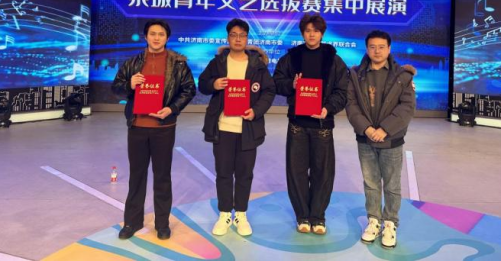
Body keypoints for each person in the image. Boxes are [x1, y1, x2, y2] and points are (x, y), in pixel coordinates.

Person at [111, 19, 196, 240]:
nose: (156, 38)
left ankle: (162, 224)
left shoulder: (178, 64)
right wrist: (129, 84)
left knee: (162, 176)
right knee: (136, 176)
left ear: (167, 38)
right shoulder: (133, 63)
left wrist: (172, 108)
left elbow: (189, 89)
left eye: (161, 34)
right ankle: (132, 222)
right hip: (137, 127)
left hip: (164, 128)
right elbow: (116, 87)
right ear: (146, 36)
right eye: (152, 34)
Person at [199, 18, 275, 236]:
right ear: (228, 38)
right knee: (223, 173)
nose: (238, 39)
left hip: (248, 128)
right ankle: (225, 213)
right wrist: (213, 84)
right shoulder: (218, 63)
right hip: (222, 127)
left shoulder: (257, 65)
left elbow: (268, 91)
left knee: (244, 174)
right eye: (234, 35)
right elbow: (202, 84)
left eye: (242, 35)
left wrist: (256, 111)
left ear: (247, 38)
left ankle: (240, 213)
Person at [273, 13, 348, 235]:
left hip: (322, 124)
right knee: (296, 171)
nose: (312, 34)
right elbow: (277, 82)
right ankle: (302, 216)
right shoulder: (292, 57)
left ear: (322, 33)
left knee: (322, 173)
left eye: (316, 30)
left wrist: (328, 108)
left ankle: (318, 216)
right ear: (302, 33)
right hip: (297, 123)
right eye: (307, 30)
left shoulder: (333, 59)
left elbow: (342, 91)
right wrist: (292, 84)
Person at [346, 30, 416, 249]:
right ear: (367, 49)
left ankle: (390, 223)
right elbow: (351, 105)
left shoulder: (402, 76)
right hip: (365, 139)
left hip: (391, 140)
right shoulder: (355, 74)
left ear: (389, 48)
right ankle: (374, 221)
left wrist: (385, 129)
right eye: (372, 47)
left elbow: (407, 107)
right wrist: (367, 129)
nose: (377, 51)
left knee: (392, 185)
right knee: (371, 183)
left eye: (381, 47)